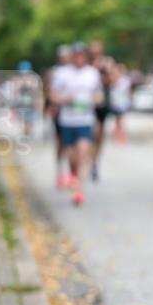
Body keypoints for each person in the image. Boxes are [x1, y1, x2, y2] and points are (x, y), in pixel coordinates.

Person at [49, 43, 103, 206]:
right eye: (76, 55)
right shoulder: (61, 73)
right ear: (72, 57)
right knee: (72, 157)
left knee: (83, 152)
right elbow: (53, 95)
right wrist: (66, 99)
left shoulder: (92, 73)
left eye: (82, 55)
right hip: (67, 120)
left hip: (85, 120)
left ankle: (79, 190)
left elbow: (99, 96)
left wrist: (92, 100)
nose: (79, 58)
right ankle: (72, 174)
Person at [45, 45, 73, 188]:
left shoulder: (76, 71)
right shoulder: (54, 72)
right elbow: (49, 91)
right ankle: (60, 170)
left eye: (67, 56)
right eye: (62, 56)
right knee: (61, 143)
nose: (65, 58)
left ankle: (71, 173)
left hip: (75, 114)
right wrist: (50, 106)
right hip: (60, 112)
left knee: (72, 145)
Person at [88, 39, 112, 182]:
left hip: (102, 103)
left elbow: (113, 79)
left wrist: (106, 71)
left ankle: (95, 161)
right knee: (93, 132)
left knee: (99, 136)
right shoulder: (84, 64)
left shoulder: (106, 62)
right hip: (88, 104)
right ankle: (88, 158)